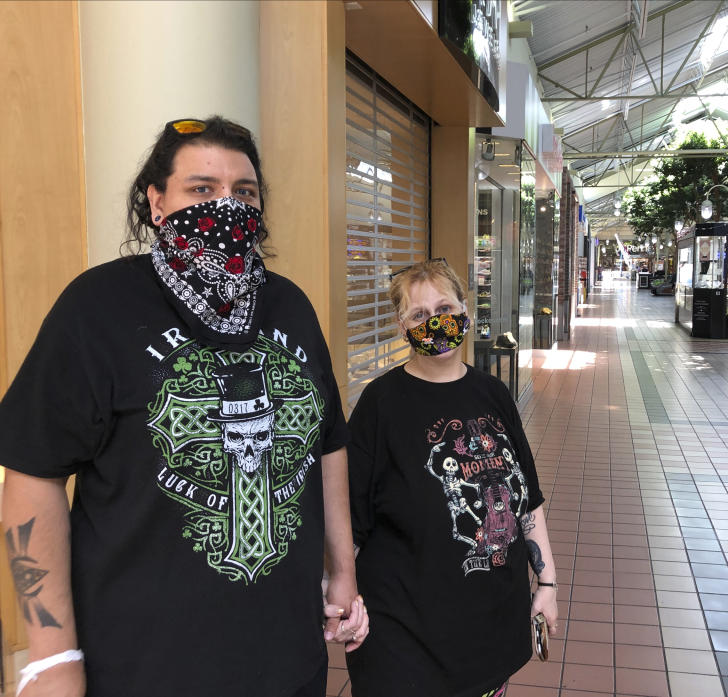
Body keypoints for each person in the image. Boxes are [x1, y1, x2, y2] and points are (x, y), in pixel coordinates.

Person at [0, 116, 367, 697]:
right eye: (202, 189)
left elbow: (328, 443)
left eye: (244, 192)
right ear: (156, 201)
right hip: (146, 665)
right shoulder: (97, 308)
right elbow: (32, 471)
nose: (227, 206)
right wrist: (50, 655)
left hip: (288, 659)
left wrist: (344, 573)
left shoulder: (291, 305)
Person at [346, 260, 559, 697]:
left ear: (466, 311)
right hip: (405, 636)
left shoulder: (493, 394)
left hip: (489, 628)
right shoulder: (380, 405)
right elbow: (349, 517)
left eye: (444, 307)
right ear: (401, 325)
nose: (435, 322)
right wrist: (339, 595)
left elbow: (527, 499)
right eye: (419, 314)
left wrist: (548, 582)